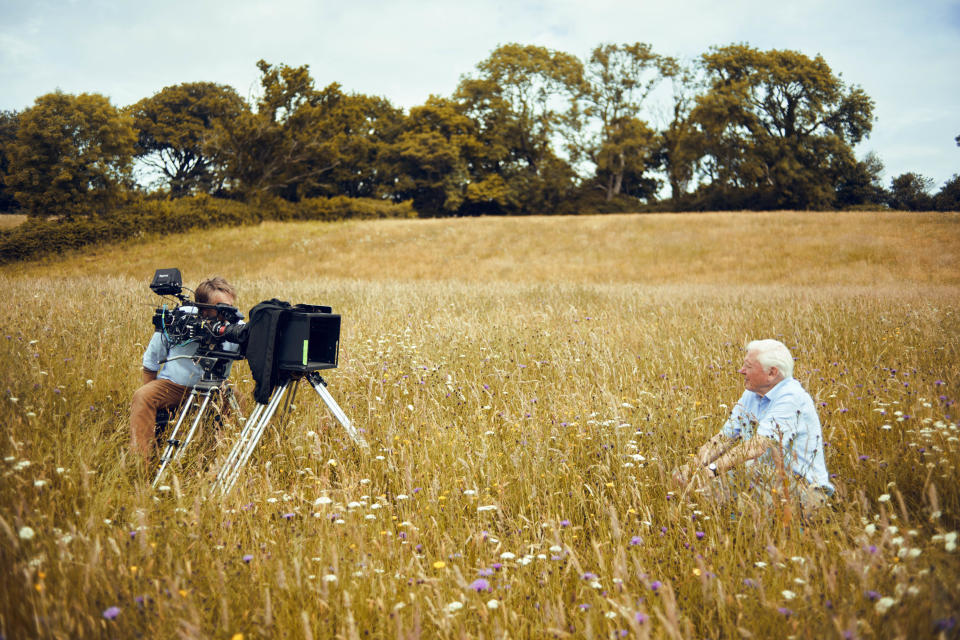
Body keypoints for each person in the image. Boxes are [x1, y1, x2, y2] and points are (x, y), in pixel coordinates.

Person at [672, 339, 834, 514]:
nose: (741, 371)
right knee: (695, 491)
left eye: (748, 367)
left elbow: (759, 446)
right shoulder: (752, 394)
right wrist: (693, 467)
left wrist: (712, 470)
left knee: (740, 483)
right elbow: (725, 437)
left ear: (772, 372)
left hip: (805, 491)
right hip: (763, 481)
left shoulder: (792, 398)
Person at [129, 276, 240, 459]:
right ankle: (142, 462)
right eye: (221, 309)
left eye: (230, 308)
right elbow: (150, 363)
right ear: (203, 309)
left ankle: (222, 456)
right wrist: (160, 414)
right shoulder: (179, 322)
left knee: (238, 399)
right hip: (174, 386)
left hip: (216, 386)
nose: (226, 315)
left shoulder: (236, 327)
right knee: (143, 396)